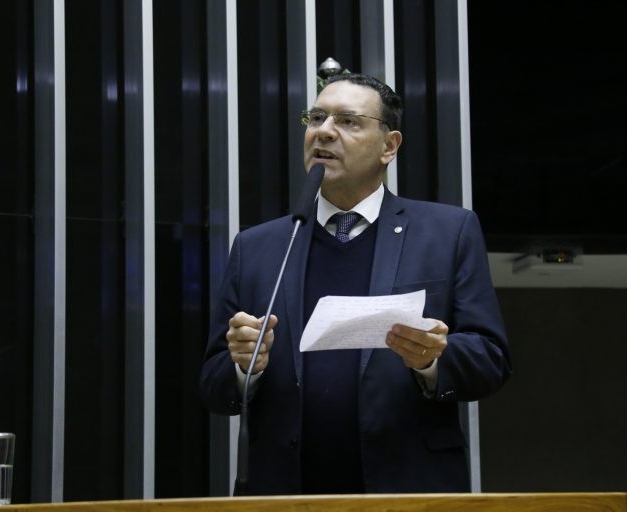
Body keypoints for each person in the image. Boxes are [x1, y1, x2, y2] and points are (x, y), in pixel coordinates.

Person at [200, 73, 511, 495]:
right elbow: (215, 386)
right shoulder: (260, 246)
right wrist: (243, 368)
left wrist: (433, 359)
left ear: (389, 146)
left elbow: (490, 361)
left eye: (348, 121)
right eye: (316, 118)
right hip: (283, 493)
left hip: (408, 489)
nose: (324, 131)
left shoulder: (447, 232)